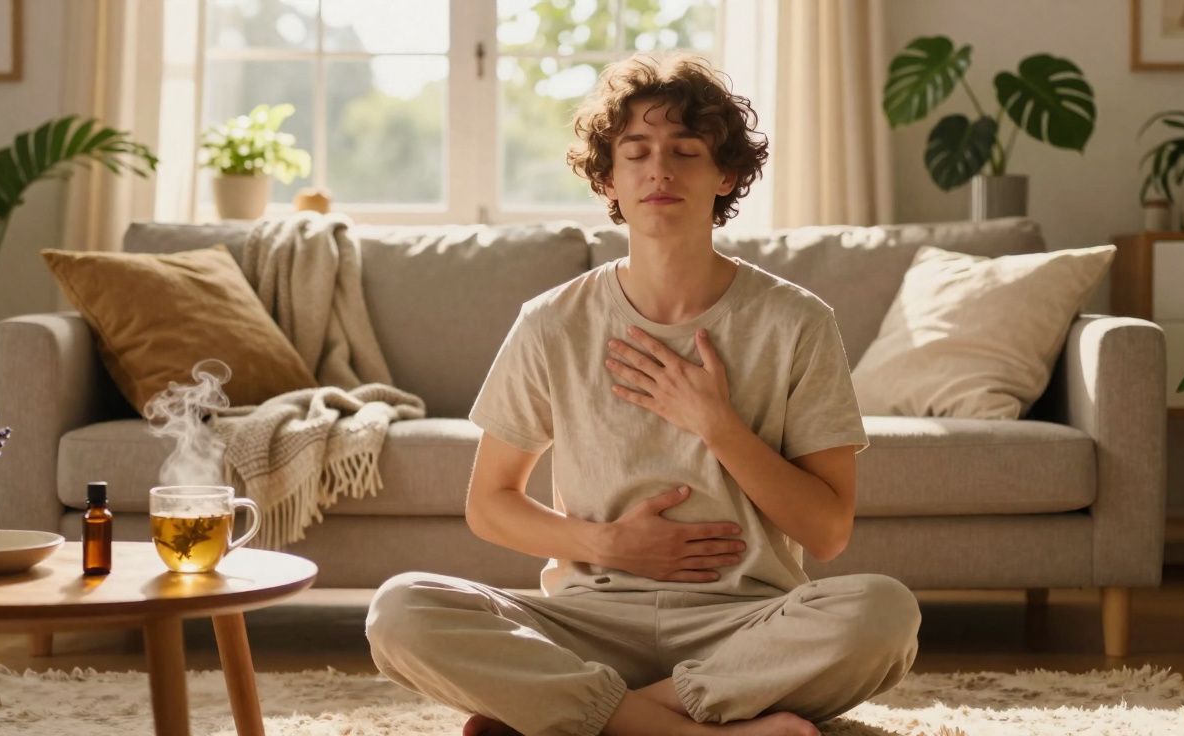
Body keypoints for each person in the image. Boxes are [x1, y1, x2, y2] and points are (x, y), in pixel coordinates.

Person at [366, 51, 920, 736]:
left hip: (744, 627)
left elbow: (827, 532)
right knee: (401, 610)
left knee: (883, 614)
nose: (660, 170)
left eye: (686, 151)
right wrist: (609, 545)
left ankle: (586, 715)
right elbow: (490, 504)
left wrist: (718, 426)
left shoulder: (797, 321)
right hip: (586, 623)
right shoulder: (551, 322)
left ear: (725, 175)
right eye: (636, 153)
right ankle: (686, 728)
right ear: (609, 178)